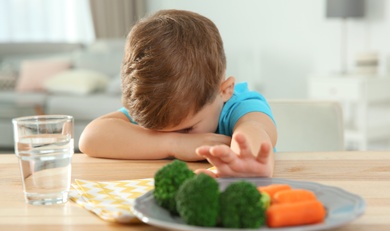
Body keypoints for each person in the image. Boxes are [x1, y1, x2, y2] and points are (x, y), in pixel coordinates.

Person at [79, 9, 277, 178]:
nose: (172, 134)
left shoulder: (240, 106)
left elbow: (254, 130)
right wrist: (174, 143)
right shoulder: (158, 105)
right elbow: (89, 138)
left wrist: (245, 164)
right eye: (154, 132)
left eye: (186, 130)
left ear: (224, 90)